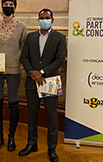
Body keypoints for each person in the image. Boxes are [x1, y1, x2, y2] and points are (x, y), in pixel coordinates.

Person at [19, 9, 66, 162]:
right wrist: (32, 73)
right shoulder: (30, 37)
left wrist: (42, 72)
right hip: (32, 82)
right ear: (37, 20)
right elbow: (24, 57)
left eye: (47, 18)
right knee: (31, 115)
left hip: (50, 81)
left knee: (52, 116)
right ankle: (31, 144)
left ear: (52, 20)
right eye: (41, 18)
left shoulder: (59, 38)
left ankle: (52, 148)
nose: (44, 20)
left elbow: (60, 59)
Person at [0, 0, 27, 151]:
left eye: (11, 4)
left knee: (13, 104)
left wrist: (20, 66)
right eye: (5, 3)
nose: (8, 5)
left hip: (13, 71)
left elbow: (24, 49)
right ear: (1, 6)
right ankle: (0, 137)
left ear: (15, 7)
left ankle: (11, 137)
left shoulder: (21, 27)